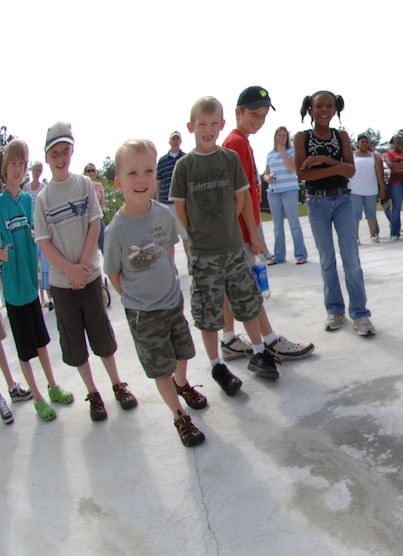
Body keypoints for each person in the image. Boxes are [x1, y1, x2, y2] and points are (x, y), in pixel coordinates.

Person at [169, 96, 280, 395]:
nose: (208, 130)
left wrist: (245, 232)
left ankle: (259, 352)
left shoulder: (229, 159)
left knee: (247, 301)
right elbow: (178, 209)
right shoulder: (184, 166)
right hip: (203, 254)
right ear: (192, 127)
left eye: (213, 124)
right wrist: (189, 242)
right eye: (201, 125)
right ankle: (217, 364)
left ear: (221, 125)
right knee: (208, 314)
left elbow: (242, 197)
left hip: (233, 248)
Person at [105, 138, 206, 447]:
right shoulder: (115, 231)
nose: (142, 179)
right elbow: (112, 273)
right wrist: (135, 298)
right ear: (118, 182)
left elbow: (170, 251)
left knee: (181, 352)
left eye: (148, 170)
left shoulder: (164, 214)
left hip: (172, 302)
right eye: (132, 173)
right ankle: (179, 416)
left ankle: (183, 383)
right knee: (160, 365)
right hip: (143, 312)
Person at [35, 122, 137, 422]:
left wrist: (82, 266)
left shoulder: (84, 186)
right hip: (62, 285)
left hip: (90, 277)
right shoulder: (43, 199)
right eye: (55, 152)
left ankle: (117, 384)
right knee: (76, 345)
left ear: (72, 151)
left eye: (65, 150)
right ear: (48, 155)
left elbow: (95, 224)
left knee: (102, 336)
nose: (60, 157)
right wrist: (69, 271)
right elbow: (43, 242)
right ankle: (93, 393)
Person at [220, 87, 315, 363]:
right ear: (238, 112)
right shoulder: (236, 143)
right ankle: (271, 341)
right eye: (253, 114)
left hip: (239, 227)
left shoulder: (240, 141)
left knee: (233, 288)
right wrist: (253, 234)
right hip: (241, 228)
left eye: (262, 116)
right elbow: (241, 194)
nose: (259, 121)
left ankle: (228, 340)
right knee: (251, 289)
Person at [0, 139, 74, 423]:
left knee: (42, 341)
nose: (17, 170)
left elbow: (38, 232)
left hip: (32, 286)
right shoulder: (0, 204)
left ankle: (52, 387)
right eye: (12, 164)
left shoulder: (30, 199)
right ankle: (37, 398)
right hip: (13, 290)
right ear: (4, 168)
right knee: (25, 349)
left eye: (22, 164)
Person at [295, 90, 375, 336]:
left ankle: (360, 314)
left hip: (342, 200)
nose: (324, 110)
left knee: (351, 259)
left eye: (329, 106)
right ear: (310, 108)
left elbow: (349, 171)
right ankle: (335, 310)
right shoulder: (301, 137)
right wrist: (337, 166)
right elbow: (303, 173)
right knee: (327, 259)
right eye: (319, 106)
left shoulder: (340, 136)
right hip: (317, 203)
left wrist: (322, 160)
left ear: (335, 109)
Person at [262, 125, 308, 264]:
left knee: (294, 223)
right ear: (275, 137)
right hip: (274, 192)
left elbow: (291, 168)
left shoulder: (292, 151)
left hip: (289, 190)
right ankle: (279, 256)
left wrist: (283, 153)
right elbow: (265, 173)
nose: (281, 138)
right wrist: (267, 178)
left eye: (284, 135)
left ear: (287, 138)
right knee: (277, 226)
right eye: (279, 135)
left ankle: (300, 254)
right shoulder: (270, 154)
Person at [155, 131, 188, 263]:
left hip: (182, 202)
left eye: (177, 139)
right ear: (169, 142)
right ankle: (171, 265)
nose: (175, 141)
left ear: (180, 141)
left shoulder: (186, 158)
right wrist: (157, 201)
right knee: (169, 237)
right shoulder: (162, 161)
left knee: (186, 234)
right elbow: (158, 181)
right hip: (166, 202)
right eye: (173, 139)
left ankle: (190, 261)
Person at [351, 134, 385, 244]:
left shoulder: (372, 156)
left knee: (371, 213)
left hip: (371, 189)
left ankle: (373, 235)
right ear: (357, 143)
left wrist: (381, 188)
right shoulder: (352, 156)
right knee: (355, 214)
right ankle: (355, 237)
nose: (364, 144)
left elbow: (378, 172)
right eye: (362, 142)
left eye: (366, 142)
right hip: (355, 189)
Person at [27, 161, 52, 309]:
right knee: (35, 264)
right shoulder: (26, 188)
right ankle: (40, 296)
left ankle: (48, 296)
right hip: (31, 229)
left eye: (39, 170)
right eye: (35, 169)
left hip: (42, 228)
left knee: (44, 264)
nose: (37, 172)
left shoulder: (44, 188)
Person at [83, 162, 105, 254]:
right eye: (89, 170)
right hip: (86, 219)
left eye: (93, 170)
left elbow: (102, 203)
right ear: (85, 173)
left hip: (98, 218)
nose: (91, 172)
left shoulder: (99, 185)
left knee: (104, 242)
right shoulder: (82, 186)